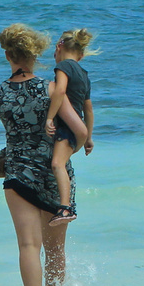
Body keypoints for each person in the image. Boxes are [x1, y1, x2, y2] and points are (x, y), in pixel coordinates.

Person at [0, 24, 71, 286]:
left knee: (29, 246)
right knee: (55, 250)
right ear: (34, 55)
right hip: (53, 172)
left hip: (17, 174)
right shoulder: (52, 89)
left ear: (8, 55)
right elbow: (77, 131)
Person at [44, 28, 96, 226]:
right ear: (81, 55)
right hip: (78, 127)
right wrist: (89, 137)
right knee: (62, 165)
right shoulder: (83, 73)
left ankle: (65, 208)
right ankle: (65, 206)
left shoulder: (64, 66)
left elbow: (60, 91)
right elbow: (88, 109)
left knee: (57, 164)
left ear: (59, 46)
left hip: (66, 127)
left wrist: (50, 118)